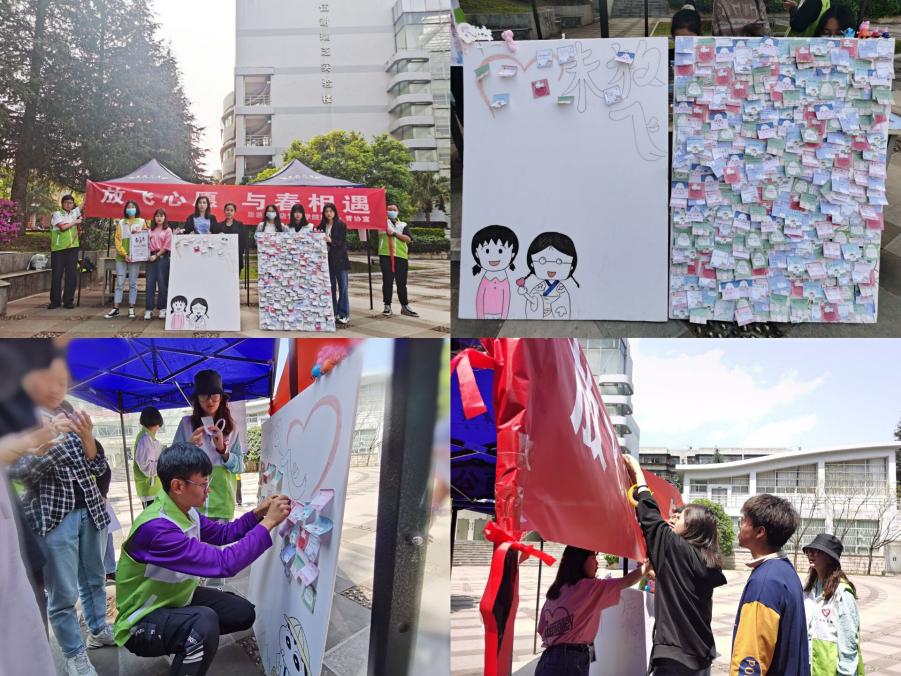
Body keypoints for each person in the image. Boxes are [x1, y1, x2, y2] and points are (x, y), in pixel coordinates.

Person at [114, 442, 291, 676]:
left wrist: (259, 512)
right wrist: (269, 523)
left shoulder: (186, 511)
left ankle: (181, 636)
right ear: (178, 485)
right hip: (141, 619)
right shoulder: (157, 530)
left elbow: (223, 533)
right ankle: (186, 640)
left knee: (243, 613)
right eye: (204, 484)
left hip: (175, 599)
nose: (209, 490)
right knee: (203, 624)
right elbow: (225, 563)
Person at [8, 367, 114, 676]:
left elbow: (98, 466)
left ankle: (98, 629)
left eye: (63, 382)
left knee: (95, 579)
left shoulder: (72, 413)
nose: (57, 388)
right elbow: (21, 473)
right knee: (63, 593)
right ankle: (74, 654)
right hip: (54, 517)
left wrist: (87, 437)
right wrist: (54, 436)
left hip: (91, 511)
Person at [623, 455, 727, 676]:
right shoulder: (705, 560)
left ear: (691, 527)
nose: (672, 521)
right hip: (701, 656)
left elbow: (650, 519)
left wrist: (637, 472)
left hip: (675, 659)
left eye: (679, 519)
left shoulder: (677, 548)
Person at [535, 546, 648, 676]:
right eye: (593, 558)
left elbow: (541, 629)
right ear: (579, 561)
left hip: (547, 659)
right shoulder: (589, 587)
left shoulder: (556, 590)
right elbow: (625, 582)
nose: (597, 563)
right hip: (570, 661)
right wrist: (647, 567)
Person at [731, 494, 809, 676]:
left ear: (760, 532)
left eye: (743, 521)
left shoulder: (764, 583)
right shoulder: (784, 570)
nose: (739, 526)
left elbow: (750, 661)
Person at [173, 369, 244, 522]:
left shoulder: (232, 428)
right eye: (204, 395)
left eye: (214, 395)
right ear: (197, 398)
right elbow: (171, 462)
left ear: (221, 397)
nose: (210, 401)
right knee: (193, 537)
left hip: (222, 503)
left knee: (221, 538)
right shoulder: (186, 424)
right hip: (192, 501)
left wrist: (223, 450)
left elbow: (240, 467)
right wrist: (188, 447)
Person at [803, 534, 862, 676]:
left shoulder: (842, 593)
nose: (810, 554)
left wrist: (845, 673)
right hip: (810, 667)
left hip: (832, 671)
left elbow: (848, 643)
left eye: (816, 550)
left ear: (830, 557)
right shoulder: (809, 590)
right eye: (809, 550)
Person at [105, 200, 148, 319]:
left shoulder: (142, 222)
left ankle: (131, 307)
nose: (130, 209)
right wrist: (124, 254)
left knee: (133, 283)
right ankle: (116, 308)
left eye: (133, 207)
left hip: (135, 258)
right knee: (120, 283)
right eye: (128, 207)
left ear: (137, 209)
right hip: (121, 257)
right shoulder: (121, 222)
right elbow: (117, 240)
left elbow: (146, 237)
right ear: (125, 209)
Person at [380, 203, 419, 318]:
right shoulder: (382, 223)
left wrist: (394, 233)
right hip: (386, 255)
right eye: (389, 209)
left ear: (398, 212)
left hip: (401, 256)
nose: (392, 211)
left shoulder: (403, 225)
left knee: (401, 283)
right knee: (387, 281)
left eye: (394, 209)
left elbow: (408, 239)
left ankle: (405, 306)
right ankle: (387, 305)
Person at [317, 202, 351, 325]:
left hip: (340, 260)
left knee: (343, 288)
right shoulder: (320, 226)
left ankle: (344, 314)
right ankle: (334, 312)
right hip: (327, 261)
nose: (329, 213)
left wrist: (330, 240)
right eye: (326, 211)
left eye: (331, 211)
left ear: (335, 212)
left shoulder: (341, 224)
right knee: (330, 288)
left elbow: (342, 242)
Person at [49, 194, 82, 310]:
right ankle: (55, 301)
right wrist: (75, 222)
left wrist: (90, 188)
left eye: (70, 203)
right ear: (62, 204)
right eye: (66, 203)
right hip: (59, 249)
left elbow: (84, 203)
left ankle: (68, 301)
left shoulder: (74, 213)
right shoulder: (57, 214)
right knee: (57, 275)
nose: (68, 205)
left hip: (73, 248)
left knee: (71, 275)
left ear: (73, 204)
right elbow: (62, 227)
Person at [133, 406, 164, 508]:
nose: (158, 428)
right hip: (149, 490)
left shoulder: (149, 437)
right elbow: (146, 467)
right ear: (157, 422)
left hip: (154, 489)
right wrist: (163, 464)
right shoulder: (145, 439)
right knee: (152, 516)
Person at [145, 208, 172, 320]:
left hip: (162, 258)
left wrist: (156, 255)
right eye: (157, 216)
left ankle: (162, 308)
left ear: (165, 218)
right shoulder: (149, 230)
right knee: (150, 284)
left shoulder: (168, 230)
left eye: (161, 216)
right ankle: (149, 309)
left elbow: (166, 246)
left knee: (162, 284)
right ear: (154, 218)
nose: (159, 218)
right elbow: (144, 243)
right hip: (150, 258)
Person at [213, 202, 247, 273]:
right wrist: (218, 236)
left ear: (234, 212)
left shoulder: (240, 225)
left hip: (236, 256)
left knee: (235, 277)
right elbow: (215, 242)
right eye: (227, 210)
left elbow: (243, 241)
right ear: (224, 211)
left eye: (231, 210)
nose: (229, 212)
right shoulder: (219, 225)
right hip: (222, 257)